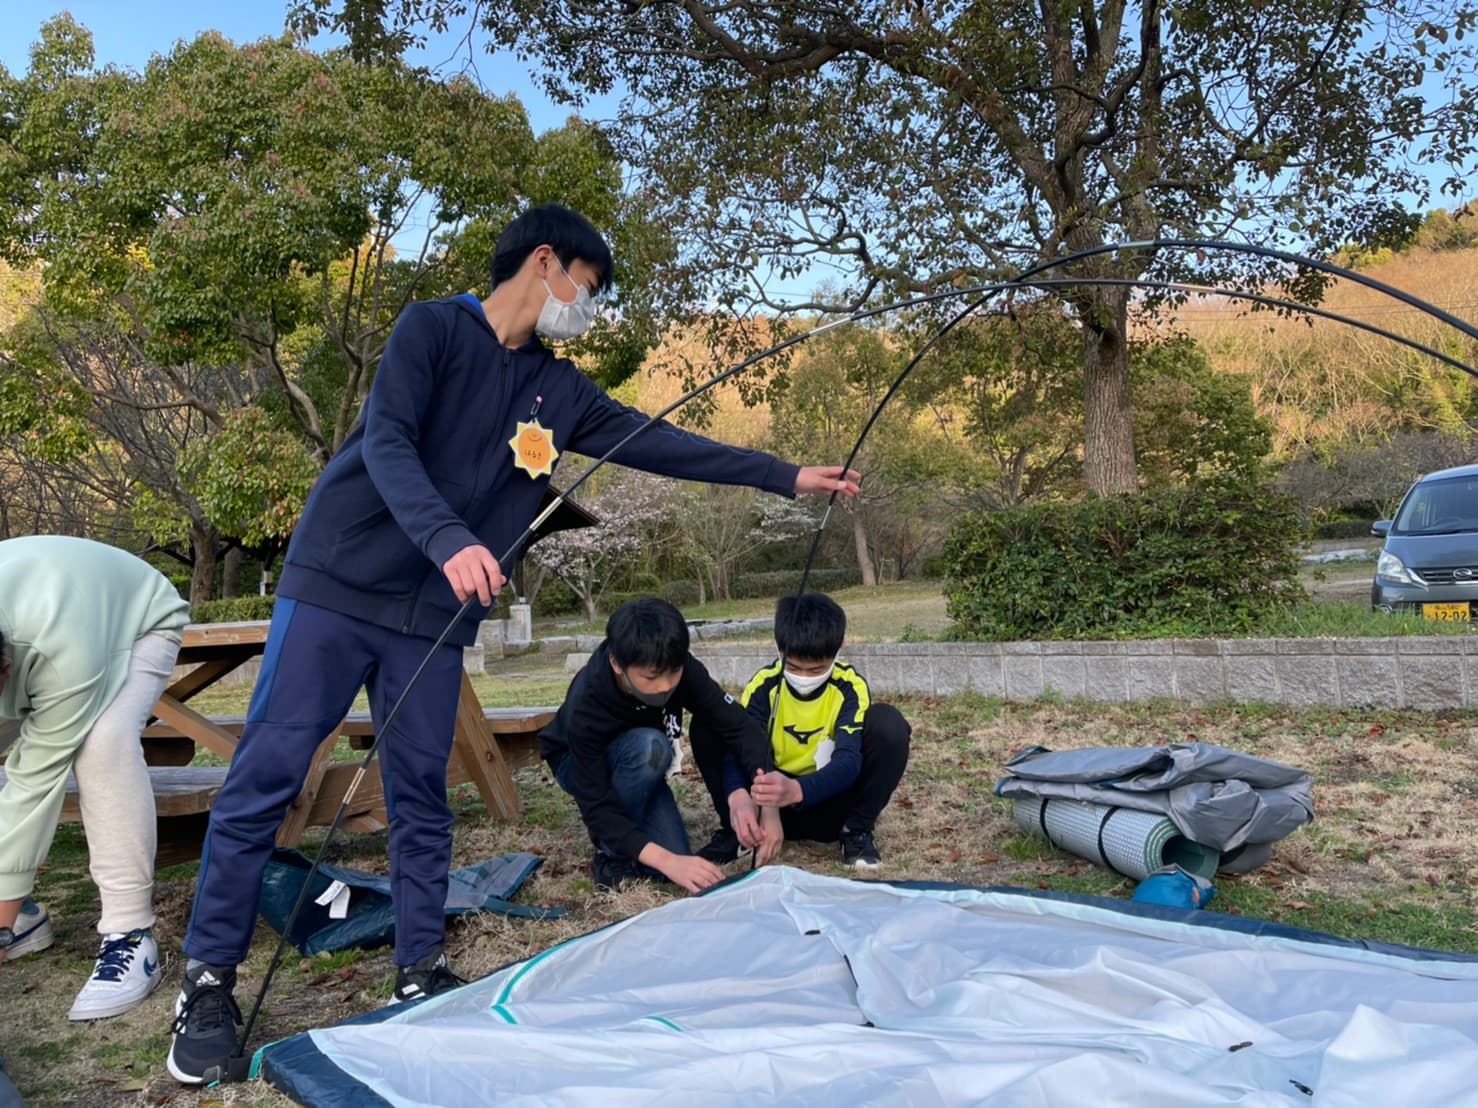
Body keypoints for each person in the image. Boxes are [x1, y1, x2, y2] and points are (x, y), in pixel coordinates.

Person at [167, 203, 859, 1084]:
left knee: (422, 792)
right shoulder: (431, 330)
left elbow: (662, 444)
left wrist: (786, 476)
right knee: (266, 775)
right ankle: (207, 981)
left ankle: (420, 971)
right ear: (545, 262)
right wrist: (448, 537)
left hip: (434, 616)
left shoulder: (559, 391)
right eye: (590, 287)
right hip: (339, 584)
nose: (591, 307)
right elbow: (387, 440)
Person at [0, 536, 189, 1019]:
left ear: (5, 671)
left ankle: (130, 934)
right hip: (52, 603)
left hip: (137, 616)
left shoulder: (62, 656)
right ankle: (20, 917)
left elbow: (34, 782)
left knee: (100, 744)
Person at [540, 597, 781, 892]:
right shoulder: (587, 700)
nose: (666, 685)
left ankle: (635, 822)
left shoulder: (682, 669)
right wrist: (665, 859)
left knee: (672, 866)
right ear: (617, 664)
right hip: (576, 762)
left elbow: (740, 727)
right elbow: (596, 804)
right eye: (651, 678)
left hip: (643, 765)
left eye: (674, 673)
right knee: (651, 747)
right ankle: (611, 854)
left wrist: (768, 807)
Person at [724, 592, 910, 870]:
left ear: (839, 647)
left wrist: (796, 789)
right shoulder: (763, 686)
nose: (804, 678)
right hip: (774, 807)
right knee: (721, 725)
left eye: (817, 669)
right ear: (778, 649)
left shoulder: (850, 687)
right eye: (793, 667)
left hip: (828, 799)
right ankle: (740, 831)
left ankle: (856, 831)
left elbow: (849, 760)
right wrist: (769, 805)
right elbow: (745, 751)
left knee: (889, 723)